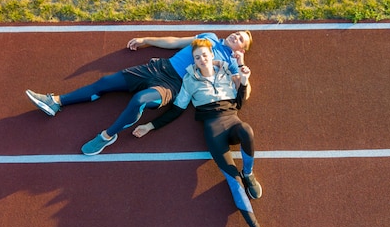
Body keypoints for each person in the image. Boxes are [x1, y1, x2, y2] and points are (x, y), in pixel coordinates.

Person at [132, 38, 274, 227]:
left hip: (232, 121)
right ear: (194, 60)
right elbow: (177, 110)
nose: (201, 59)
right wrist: (150, 125)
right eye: (197, 57)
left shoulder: (227, 71)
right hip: (213, 131)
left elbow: (240, 102)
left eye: (204, 55)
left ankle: (249, 173)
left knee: (246, 130)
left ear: (211, 55)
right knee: (231, 179)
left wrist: (243, 81)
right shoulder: (189, 81)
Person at [25, 31, 252, 155]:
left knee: (140, 100)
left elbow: (243, 91)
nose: (236, 36)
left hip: (173, 87)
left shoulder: (230, 64)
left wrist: (242, 70)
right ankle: (55, 101)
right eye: (237, 33)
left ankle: (107, 136)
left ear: (241, 49)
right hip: (156, 68)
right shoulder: (209, 37)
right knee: (105, 82)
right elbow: (176, 42)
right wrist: (147, 40)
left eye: (241, 39)